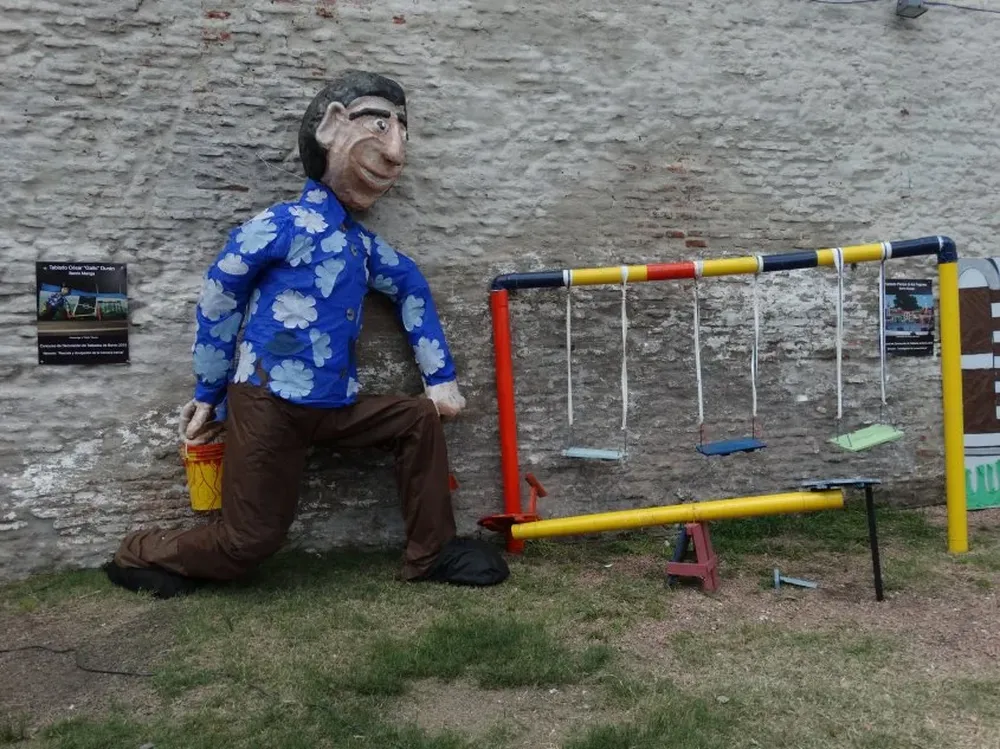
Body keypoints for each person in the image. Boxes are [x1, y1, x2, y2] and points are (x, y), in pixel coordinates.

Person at [104, 70, 509, 598]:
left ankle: (431, 550)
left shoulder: (360, 246)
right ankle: (138, 552)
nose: (395, 152)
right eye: (380, 126)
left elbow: (409, 283)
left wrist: (440, 380)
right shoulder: (281, 225)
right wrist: (209, 392)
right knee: (248, 541)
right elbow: (221, 295)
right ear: (331, 127)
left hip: (334, 405)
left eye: (402, 134)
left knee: (418, 419)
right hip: (268, 402)